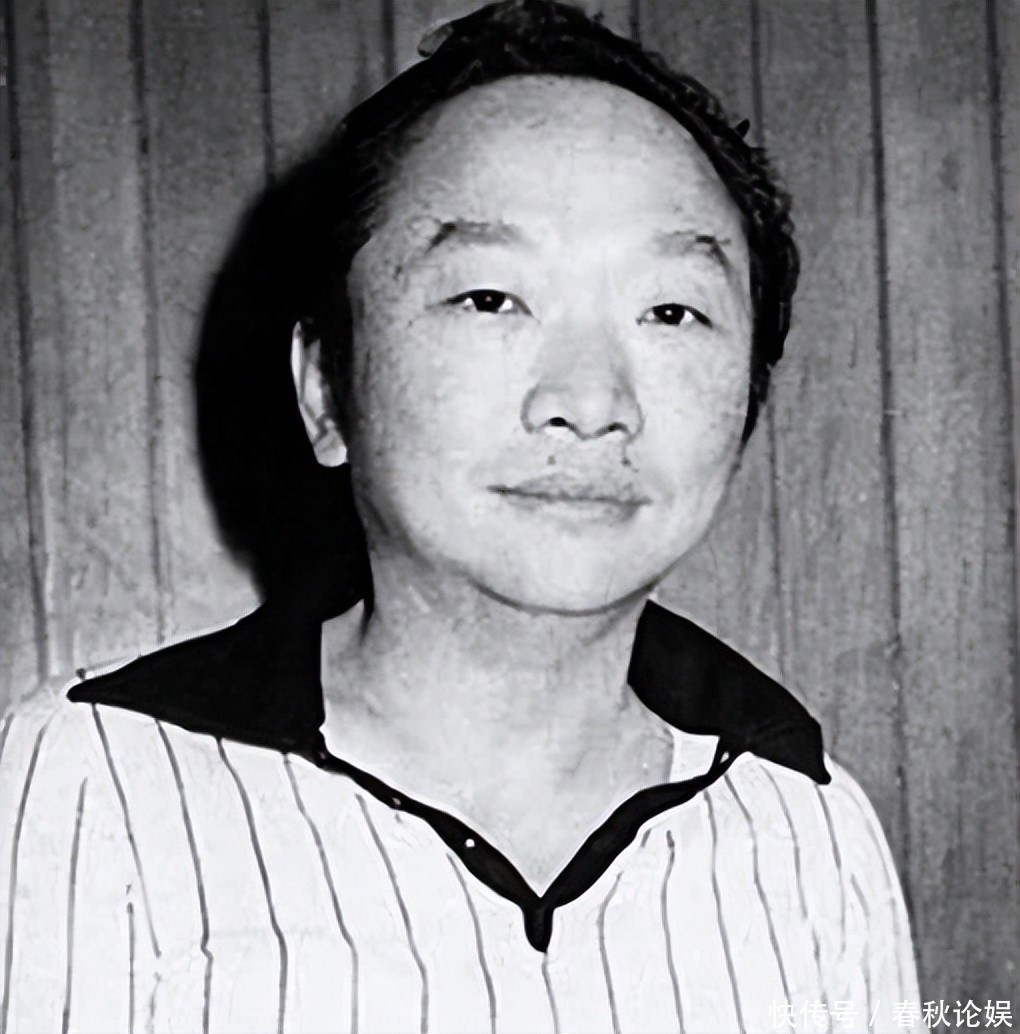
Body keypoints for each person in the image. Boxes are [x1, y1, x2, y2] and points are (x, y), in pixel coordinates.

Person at [0, 2, 921, 1031]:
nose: (590, 399)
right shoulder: (102, 782)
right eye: (490, 297)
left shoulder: (810, 827)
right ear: (327, 389)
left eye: (671, 310)